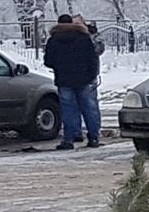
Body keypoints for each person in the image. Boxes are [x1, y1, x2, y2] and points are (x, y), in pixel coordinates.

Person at [40, 13, 103, 150]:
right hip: (85, 79)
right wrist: (91, 75)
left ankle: (69, 140)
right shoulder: (84, 38)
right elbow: (92, 58)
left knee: (68, 109)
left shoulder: (54, 40)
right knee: (89, 107)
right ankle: (93, 137)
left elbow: (48, 61)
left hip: (64, 80)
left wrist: (59, 66)